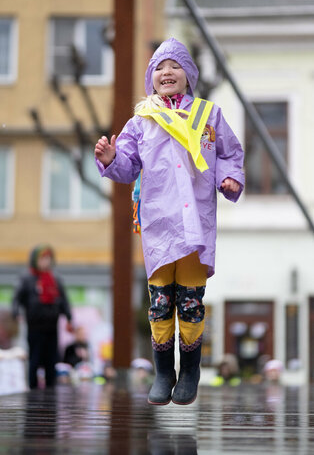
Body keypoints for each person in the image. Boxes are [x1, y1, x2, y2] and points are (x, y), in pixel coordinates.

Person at [94, 38, 244, 405]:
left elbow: (229, 152)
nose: (167, 73)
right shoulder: (141, 120)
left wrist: (230, 177)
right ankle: (164, 371)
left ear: (188, 75)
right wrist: (113, 158)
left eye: (174, 66)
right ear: (151, 78)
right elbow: (129, 165)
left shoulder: (209, 115)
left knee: (191, 299)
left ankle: (190, 370)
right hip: (159, 224)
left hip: (195, 224)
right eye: (159, 67)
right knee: (161, 299)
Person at [12, 244, 73, 389]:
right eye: (43, 259)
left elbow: (63, 300)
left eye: (48, 259)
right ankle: (33, 390)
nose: (46, 262)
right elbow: (17, 299)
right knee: (35, 359)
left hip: (52, 326)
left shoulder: (55, 279)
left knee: (51, 360)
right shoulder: (27, 278)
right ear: (35, 260)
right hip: (35, 327)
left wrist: (69, 318)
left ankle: (50, 391)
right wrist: (16, 313)